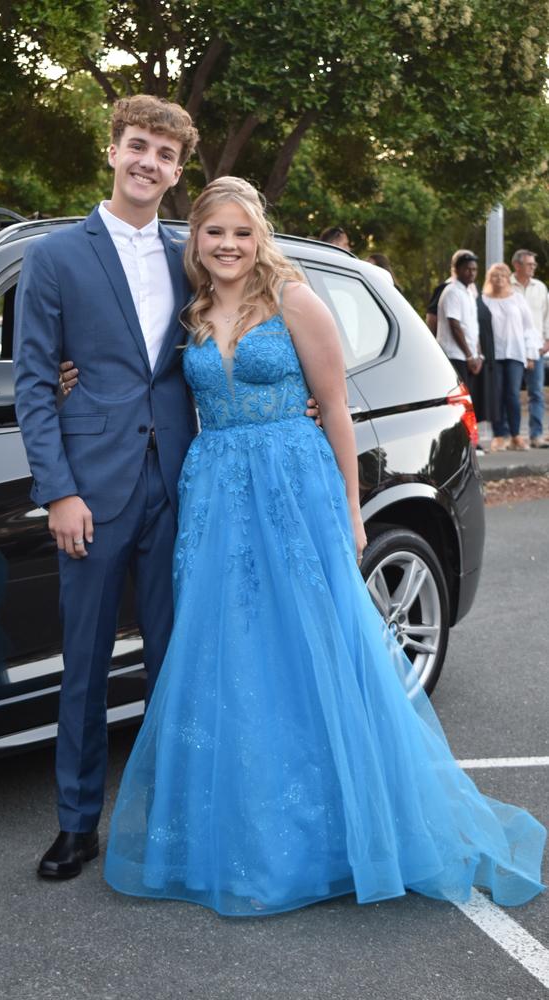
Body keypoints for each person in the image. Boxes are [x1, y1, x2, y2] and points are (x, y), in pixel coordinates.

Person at [96, 178, 545, 916]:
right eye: (215, 234)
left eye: (242, 232)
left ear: (259, 235)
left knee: (318, 644)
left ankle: (352, 828)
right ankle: (240, 834)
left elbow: (336, 411)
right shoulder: (195, 311)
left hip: (293, 485)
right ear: (197, 243)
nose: (229, 245)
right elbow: (144, 382)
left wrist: (349, 513)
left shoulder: (297, 300)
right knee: (232, 651)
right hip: (216, 493)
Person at [14, 96, 319, 882]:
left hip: (187, 489)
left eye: (165, 155)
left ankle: (177, 822)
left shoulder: (196, 250)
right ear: (112, 150)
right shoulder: (53, 258)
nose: (149, 163)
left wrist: (295, 395)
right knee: (82, 665)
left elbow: (247, 323)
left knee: (182, 662)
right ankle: (77, 825)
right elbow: (30, 383)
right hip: (94, 491)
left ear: (179, 170)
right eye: (138, 147)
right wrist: (59, 492)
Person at [482, 263, 538, 452]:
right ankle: (499, 435)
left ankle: (516, 435)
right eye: (495, 276)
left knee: (512, 395)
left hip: (515, 353)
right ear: (490, 279)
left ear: (508, 279)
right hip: (493, 356)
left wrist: (531, 354)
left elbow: (529, 327)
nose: (499, 279)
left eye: (502, 276)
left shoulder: (517, 299)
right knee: (496, 395)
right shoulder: (484, 300)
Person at [510, 249, 549, 448]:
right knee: (510, 393)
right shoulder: (506, 284)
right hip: (513, 350)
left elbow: (547, 315)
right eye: (529, 264)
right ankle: (513, 436)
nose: (533, 267)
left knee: (536, 392)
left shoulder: (540, 287)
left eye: (534, 264)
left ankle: (536, 435)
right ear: (517, 265)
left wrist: (547, 341)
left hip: (537, 349)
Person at [436, 252, 483, 390]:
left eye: (474, 269)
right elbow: (454, 326)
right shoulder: (452, 291)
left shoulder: (468, 292)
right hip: (455, 355)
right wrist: (469, 356)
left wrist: (479, 355)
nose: (471, 273)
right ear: (457, 270)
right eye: (467, 269)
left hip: (469, 357)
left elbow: (473, 327)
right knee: (458, 398)